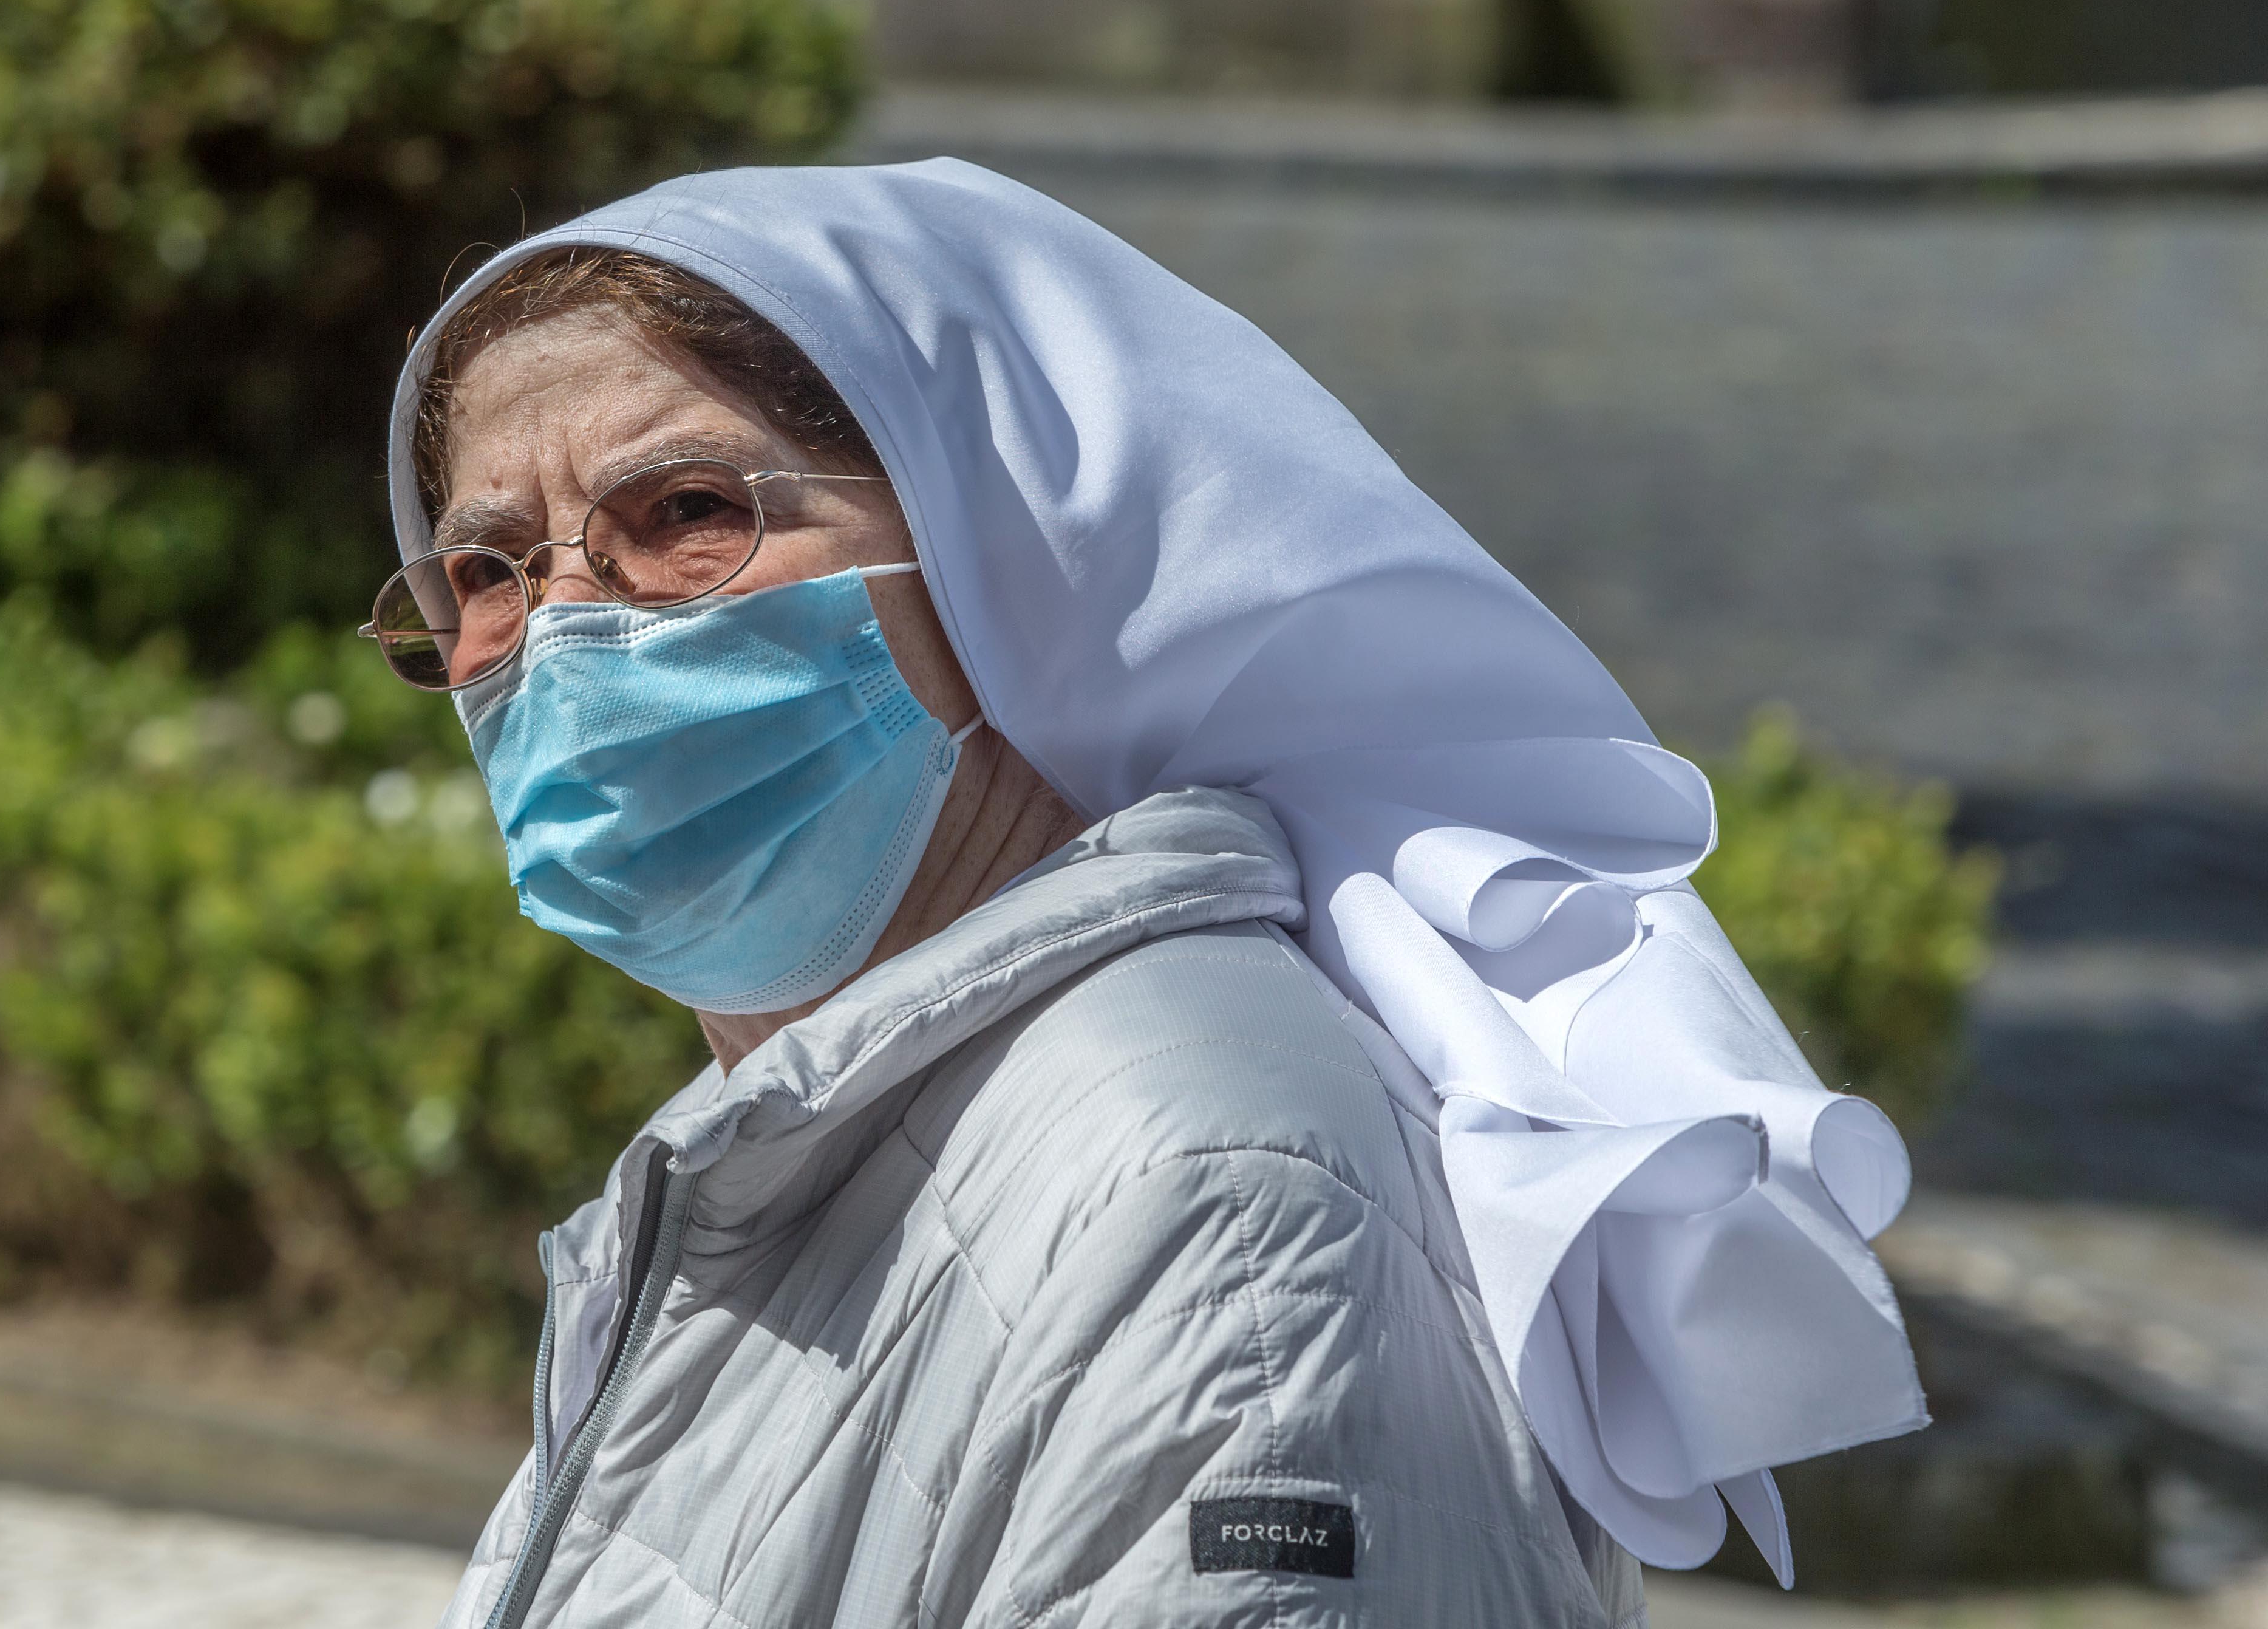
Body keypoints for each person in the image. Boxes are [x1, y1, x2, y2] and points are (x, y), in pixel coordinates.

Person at [367, 161, 1925, 1629]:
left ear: (1002, 561)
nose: (565, 630)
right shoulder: (821, 1127)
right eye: (490, 573)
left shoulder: (1206, 1193)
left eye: (689, 514)